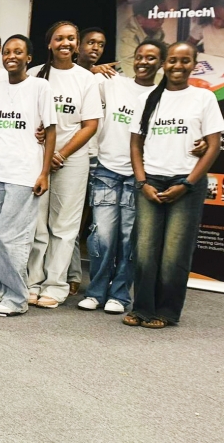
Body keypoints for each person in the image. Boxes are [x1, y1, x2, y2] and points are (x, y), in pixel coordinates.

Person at [126, 42, 224, 328]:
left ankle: (167, 312)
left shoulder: (203, 98)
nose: (177, 66)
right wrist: (142, 181)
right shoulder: (149, 99)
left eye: (184, 61)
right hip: (151, 183)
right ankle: (142, 308)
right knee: (144, 250)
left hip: (187, 184)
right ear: (164, 64)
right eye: (172, 60)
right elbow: (135, 143)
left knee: (174, 253)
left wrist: (188, 184)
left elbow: (214, 145)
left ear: (194, 64)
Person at [78, 39, 165, 315]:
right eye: (139, 56)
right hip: (106, 169)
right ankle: (96, 291)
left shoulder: (162, 96)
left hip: (139, 175)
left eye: (151, 58)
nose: (143, 62)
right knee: (102, 235)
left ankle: (119, 294)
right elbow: (79, 82)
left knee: (128, 238)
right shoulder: (114, 83)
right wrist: (93, 70)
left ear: (161, 63)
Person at [0, 35, 56, 317]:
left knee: (11, 237)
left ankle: (16, 298)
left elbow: (50, 130)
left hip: (24, 173)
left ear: (29, 58)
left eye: (18, 52)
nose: (11, 56)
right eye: (7, 52)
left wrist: (44, 172)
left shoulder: (39, 86)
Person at [26, 22, 102, 308]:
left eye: (72, 38)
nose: (66, 43)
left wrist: (61, 154)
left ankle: (55, 286)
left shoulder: (86, 79)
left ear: (78, 43)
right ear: (49, 43)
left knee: (64, 226)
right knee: (37, 226)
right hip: (37, 160)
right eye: (60, 38)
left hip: (72, 161)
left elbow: (91, 124)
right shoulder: (35, 76)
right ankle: (31, 282)